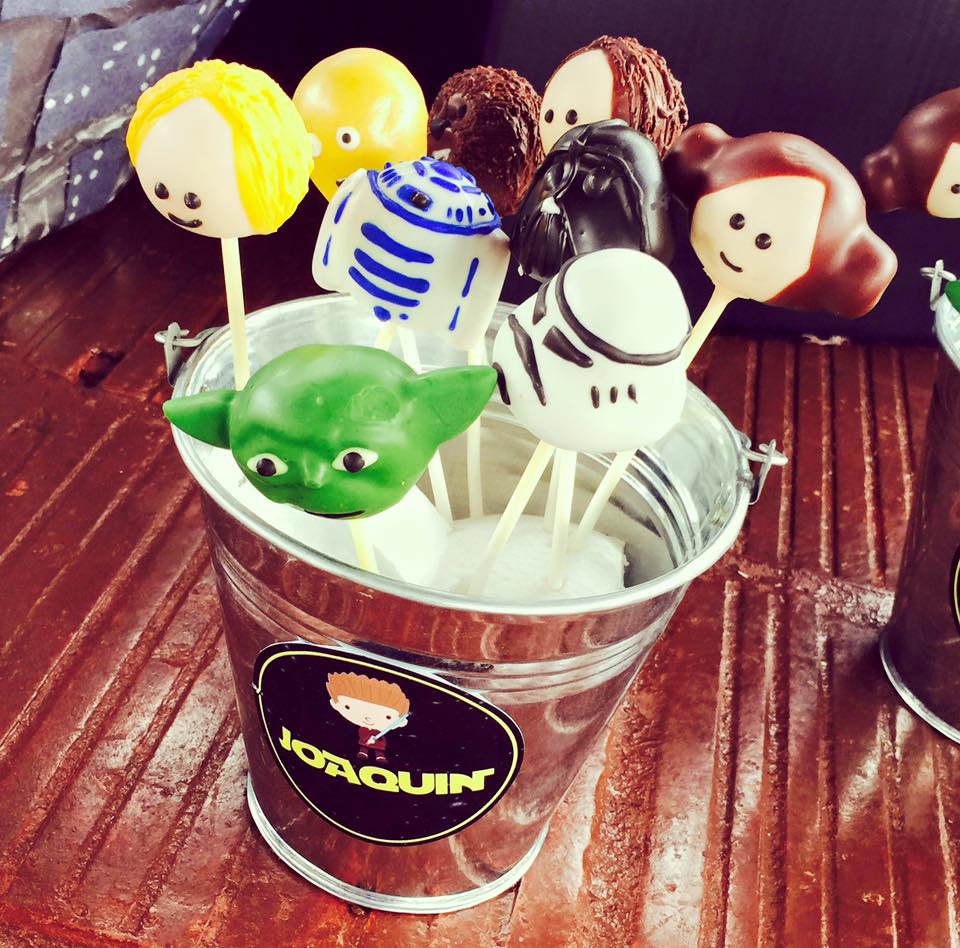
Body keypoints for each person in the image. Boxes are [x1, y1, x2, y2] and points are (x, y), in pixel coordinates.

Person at [326, 672, 410, 766]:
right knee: (364, 748)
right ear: (334, 704)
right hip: (363, 744)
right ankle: (363, 753)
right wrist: (368, 738)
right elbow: (362, 733)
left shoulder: (379, 731)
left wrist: (375, 739)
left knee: (378, 751)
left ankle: (379, 757)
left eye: (388, 717)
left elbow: (382, 739)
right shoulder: (363, 729)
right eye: (347, 707)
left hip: (378, 745)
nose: (368, 718)